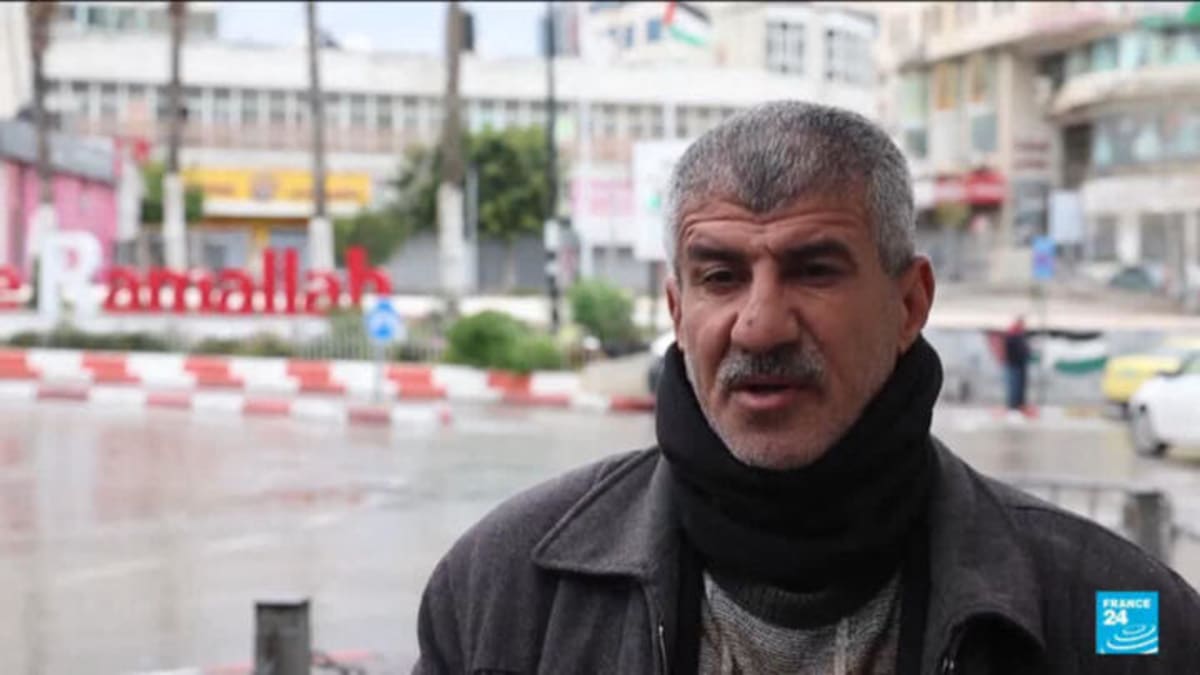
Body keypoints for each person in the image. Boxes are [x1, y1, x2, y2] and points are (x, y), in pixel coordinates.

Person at [414, 102, 1200, 674]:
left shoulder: (1116, 613)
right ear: (677, 310)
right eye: (720, 275)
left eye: (814, 269)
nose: (759, 326)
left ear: (910, 304)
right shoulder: (503, 593)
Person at [1003, 316, 1031, 414]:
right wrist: (1025, 352)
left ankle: (1019, 405)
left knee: (1020, 387)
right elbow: (1016, 351)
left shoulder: (1020, 336)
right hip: (1014, 365)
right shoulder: (1013, 336)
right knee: (1015, 387)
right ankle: (1014, 406)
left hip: (1020, 365)